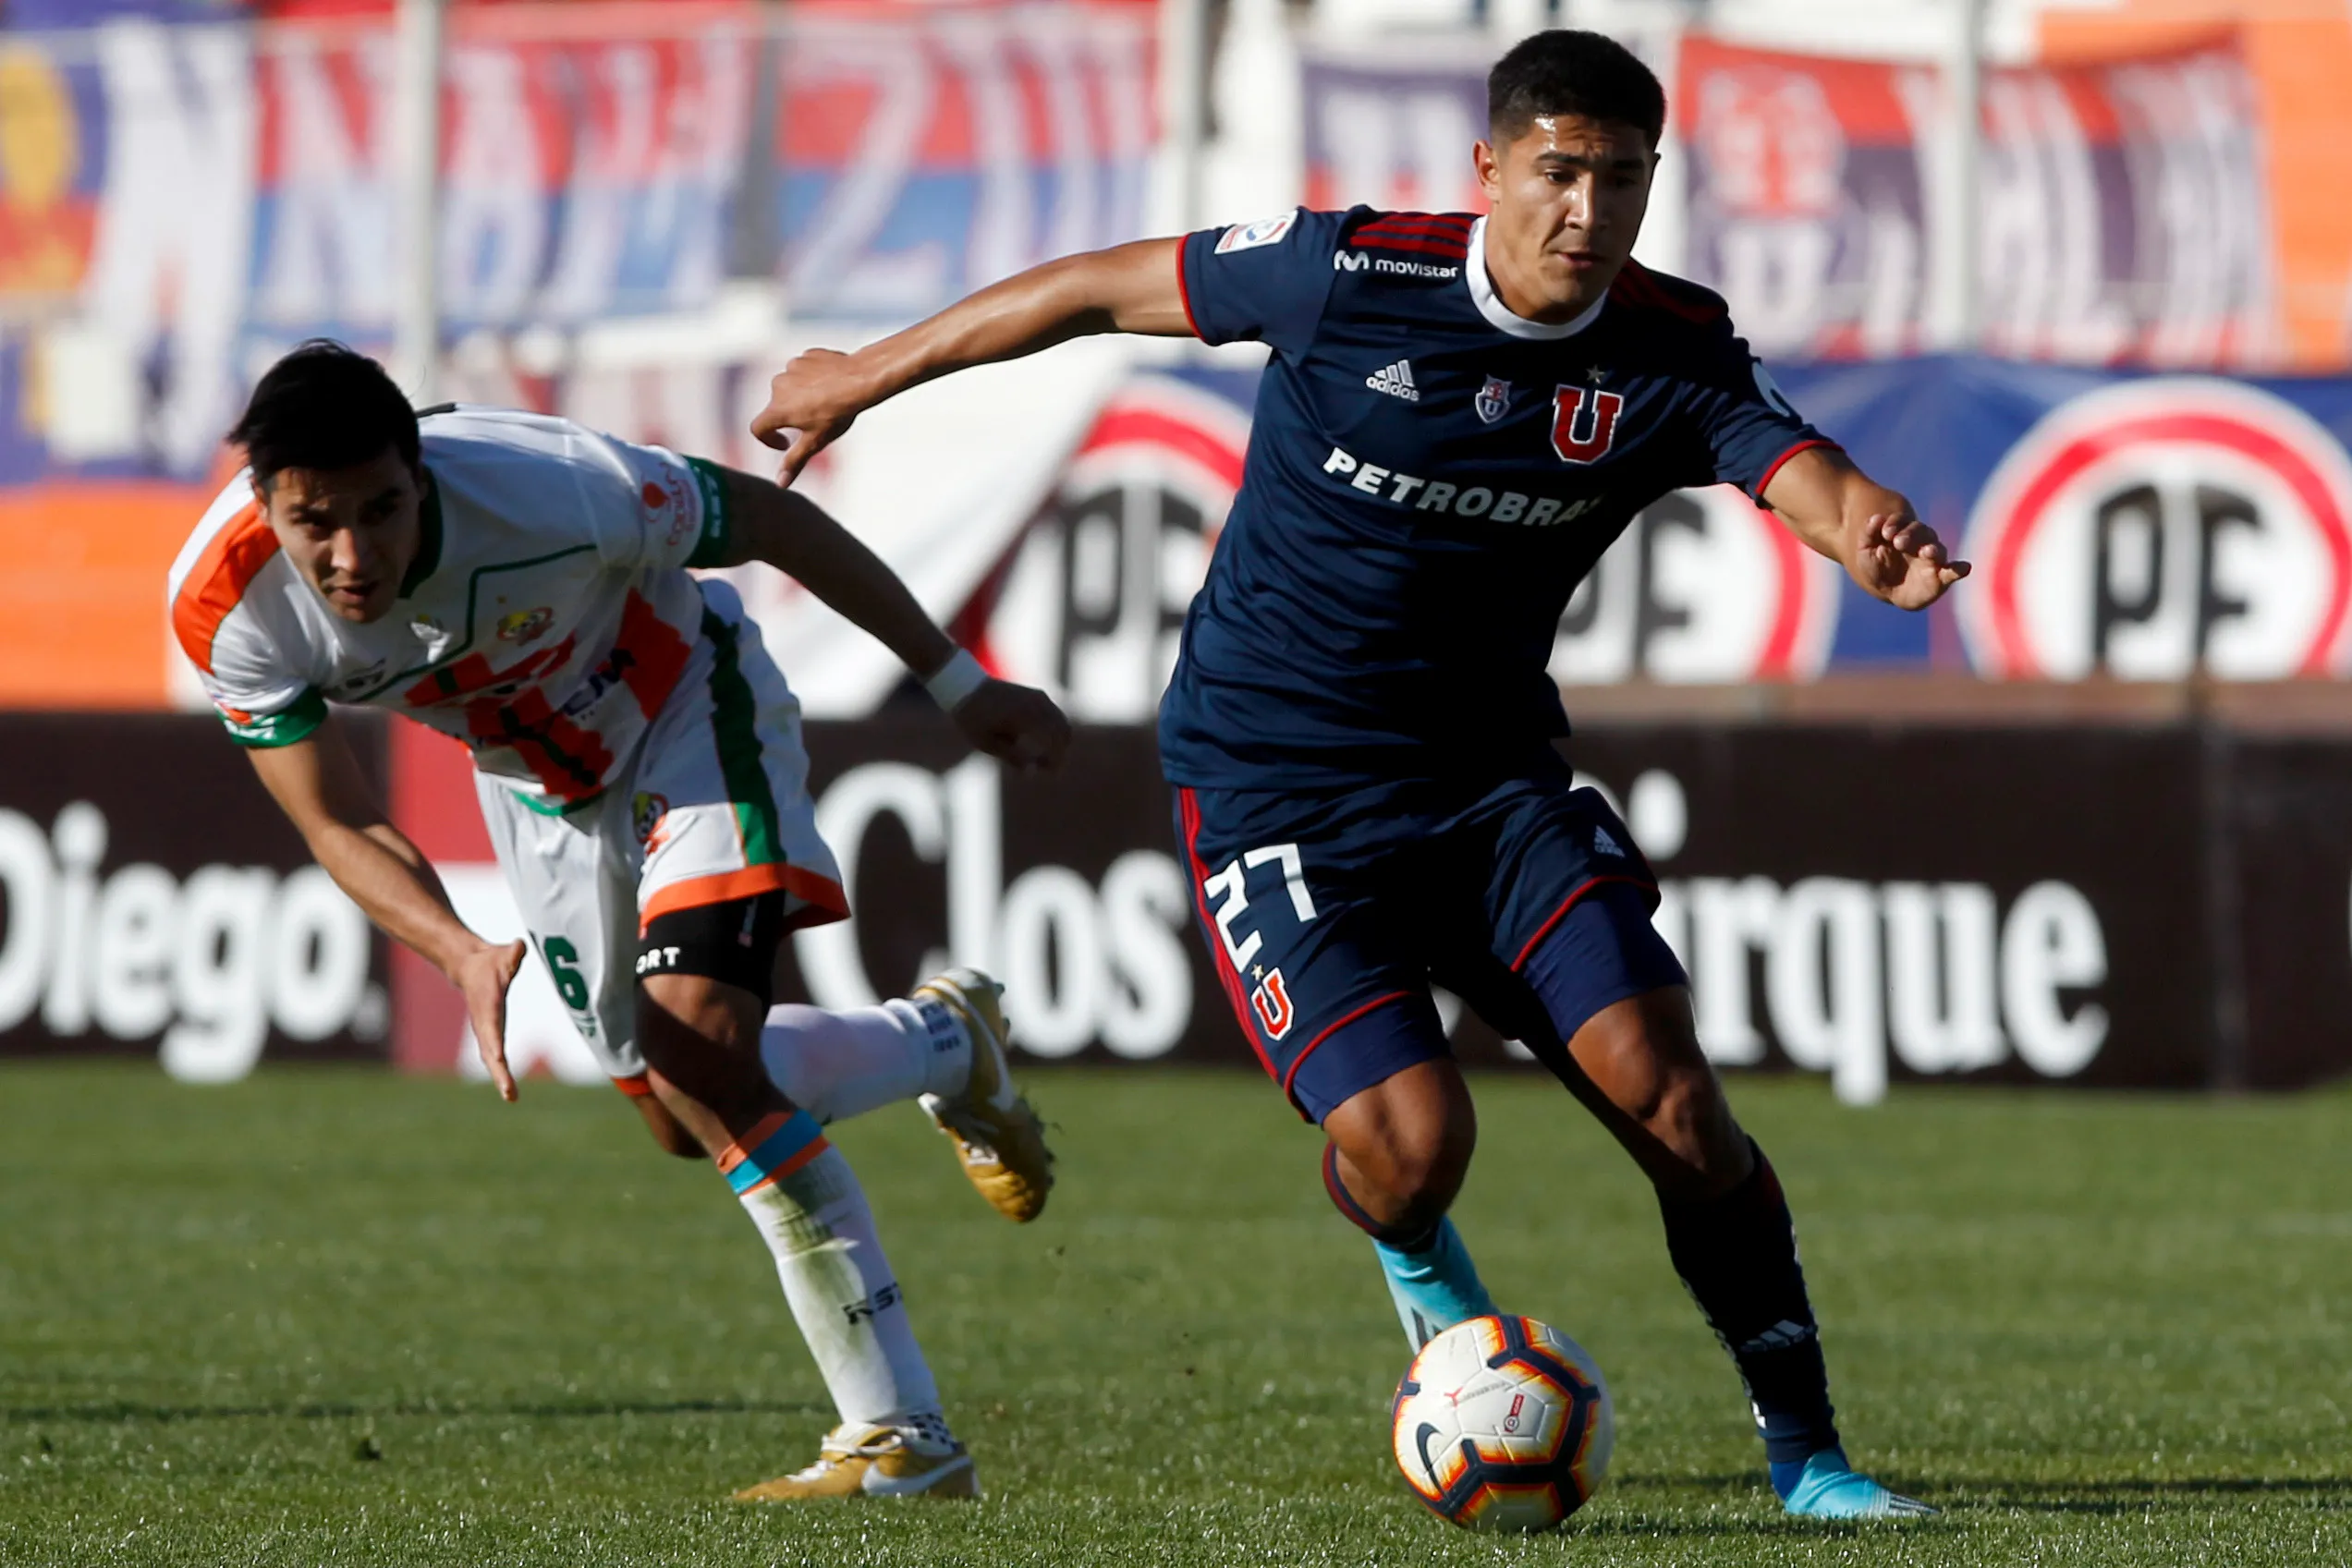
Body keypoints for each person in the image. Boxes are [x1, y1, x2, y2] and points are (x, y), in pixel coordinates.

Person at [749, 29, 1957, 1521]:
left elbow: (1799, 470)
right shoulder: (1345, 276)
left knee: (1677, 1105)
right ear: (1490, 172)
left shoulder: (1666, 344)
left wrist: (1874, 532)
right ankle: (1413, 1259)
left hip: (1493, 789)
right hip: (1275, 790)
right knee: (1411, 1145)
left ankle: (1812, 1457)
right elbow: (1087, 289)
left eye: (1622, 179)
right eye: (1557, 173)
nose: (1585, 211)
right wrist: (867, 372)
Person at [168, 341, 1071, 1501]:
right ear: (264, 504)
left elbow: (773, 522)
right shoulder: (223, 603)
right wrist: (457, 946)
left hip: (689, 704)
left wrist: (957, 682)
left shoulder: (553, 484)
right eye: (316, 523)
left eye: (383, 510)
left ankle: (902, 1435)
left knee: (698, 1045)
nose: (353, 557)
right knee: (680, 1113)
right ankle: (947, 1041)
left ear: (424, 472)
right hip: (537, 789)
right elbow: (337, 818)